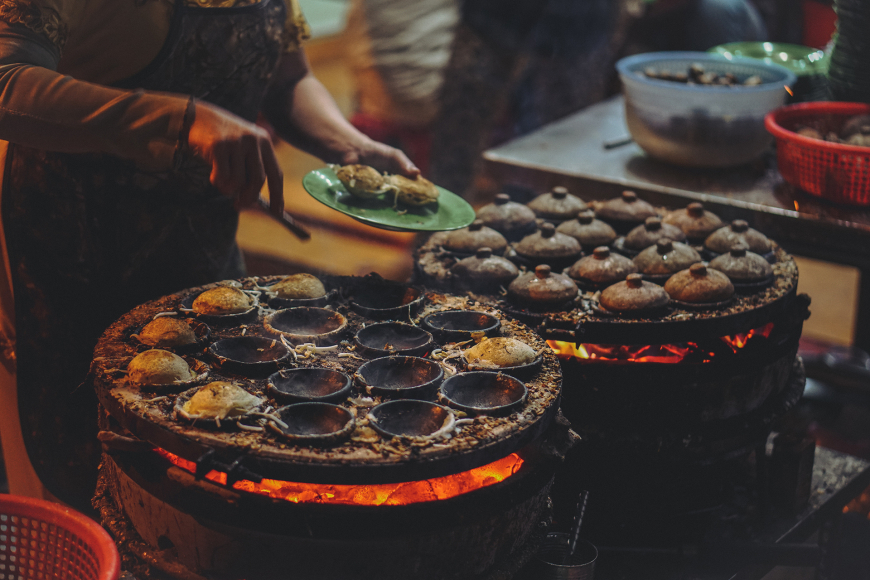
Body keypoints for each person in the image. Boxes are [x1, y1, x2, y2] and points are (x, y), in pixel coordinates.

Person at [0, 0, 416, 513]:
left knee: (206, 455)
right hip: (75, 260)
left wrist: (348, 145)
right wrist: (181, 117)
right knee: (97, 477)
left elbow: (286, 78)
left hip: (203, 251)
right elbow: (5, 82)